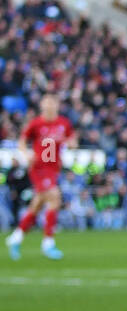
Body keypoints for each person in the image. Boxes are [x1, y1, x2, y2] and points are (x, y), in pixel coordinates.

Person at [6, 94, 75, 261]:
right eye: (47, 103)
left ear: (57, 105)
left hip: (53, 168)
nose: (50, 106)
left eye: (53, 103)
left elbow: (72, 137)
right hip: (39, 168)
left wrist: (71, 143)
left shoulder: (63, 123)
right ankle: (48, 243)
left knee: (37, 205)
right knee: (55, 198)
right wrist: (26, 153)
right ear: (42, 106)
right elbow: (22, 141)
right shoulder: (36, 123)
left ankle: (16, 237)